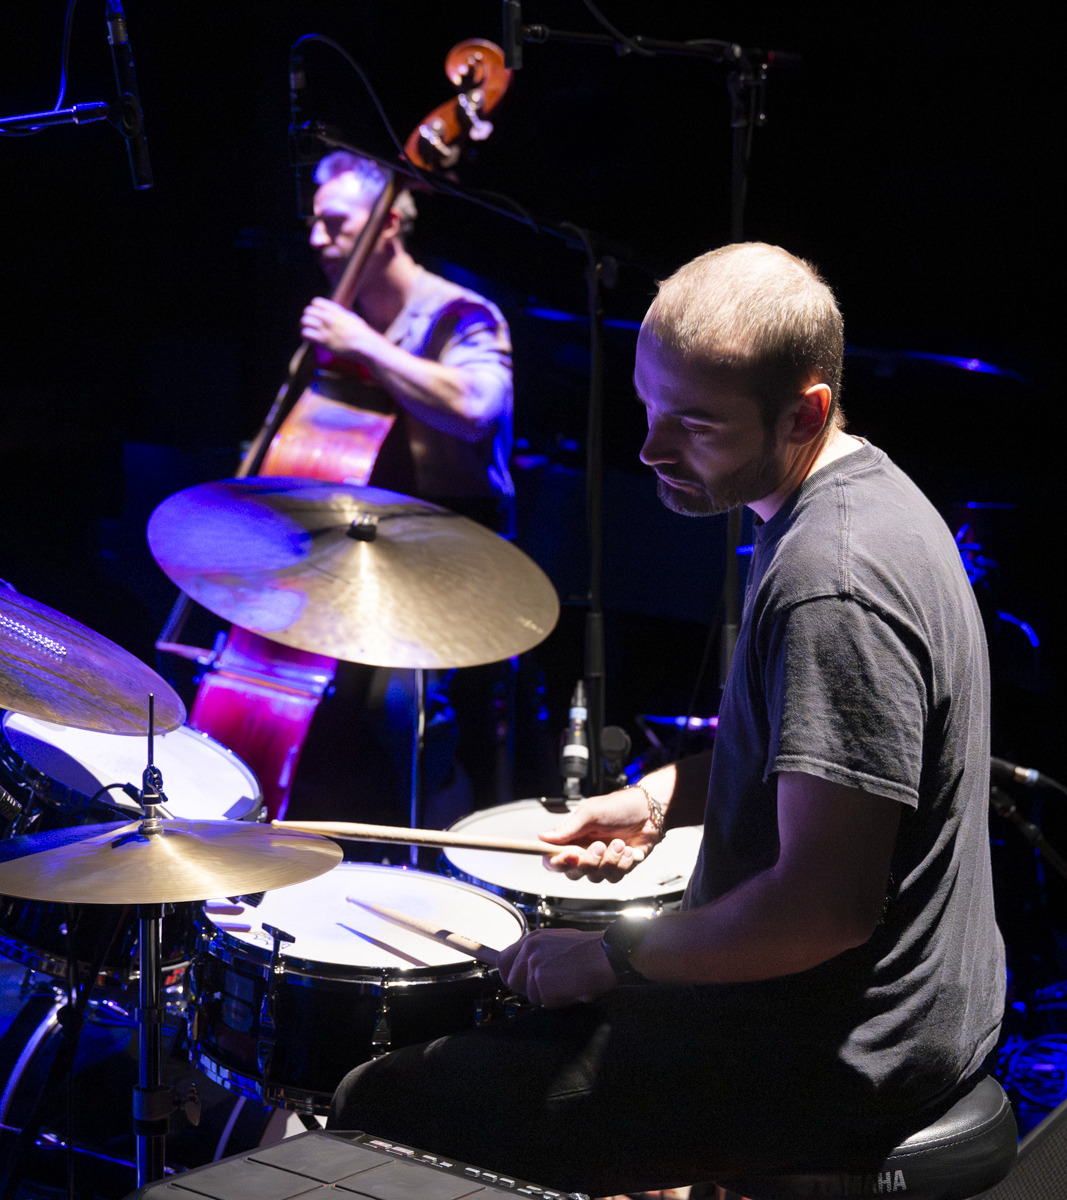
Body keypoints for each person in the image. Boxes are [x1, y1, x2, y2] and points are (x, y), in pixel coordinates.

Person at [331, 243, 1005, 1193]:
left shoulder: (834, 581)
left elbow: (823, 909)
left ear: (805, 412)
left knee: (384, 1102)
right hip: (876, 1010)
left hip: (843, 1051)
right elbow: (802, 751)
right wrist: (653, 802)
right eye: (651, 406)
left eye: (695, 423)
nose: (651, 448)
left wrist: (613, 956)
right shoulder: (857, 497)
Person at [288, 151, 517, 828]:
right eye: (313, 222)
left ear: (388, 223)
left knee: (401, 708)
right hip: (362, 545)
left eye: (336, 223)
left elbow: (475, 408)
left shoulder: (461, 313)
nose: (316, 239)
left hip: (457, 543)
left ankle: (446, 852)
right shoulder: (344, 322)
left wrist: (365, 344)